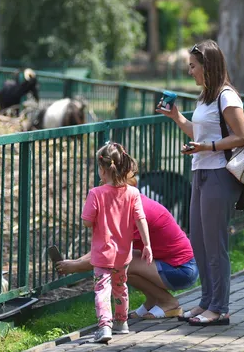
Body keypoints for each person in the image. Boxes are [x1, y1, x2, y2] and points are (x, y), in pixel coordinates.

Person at [156, 39, 244, 327]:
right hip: (200, 173)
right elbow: (196, 131)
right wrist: (176, 117)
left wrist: (207, 147)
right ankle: (207, 301)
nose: (190, 71)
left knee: (214, 244)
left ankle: (220, 309)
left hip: (219, 174)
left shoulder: (226, 97)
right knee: (199, 243)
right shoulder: (205, 97)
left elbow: (241, 136)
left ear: (208, 66)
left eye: (193, 66)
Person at [56, 172, 198, 320]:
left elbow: (108, 253)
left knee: (120, 263)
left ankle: (168, 302)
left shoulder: (135, 214)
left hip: (182, 270)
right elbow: (105, 245)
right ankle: (153, 300)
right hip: (170, 265)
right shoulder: (133, 204)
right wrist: (75, 262)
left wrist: (75, 267)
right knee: (123, 262)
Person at [79, 142, 152, 344]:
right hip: (123, 254)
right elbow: (141, 219)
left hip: (102, 254)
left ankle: (104, 327)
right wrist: (147, 245)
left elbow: (86, 222)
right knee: (120, 286)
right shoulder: (132, 193)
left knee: (102, 288)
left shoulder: (96, 193)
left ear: (102, 171)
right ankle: (122, 322)